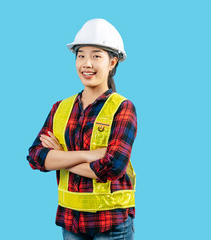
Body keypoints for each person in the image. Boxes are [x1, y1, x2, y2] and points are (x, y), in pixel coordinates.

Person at [27, 19, 137, 240]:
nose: (87, 63)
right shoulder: (60, 108)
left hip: (111, 222)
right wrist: (88, 156)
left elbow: (111, 167)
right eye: (81, 55)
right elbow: (36, 157)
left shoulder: (122, 108)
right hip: (71, 221)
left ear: (112, 62)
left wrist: (59, 157)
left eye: (96, 56)